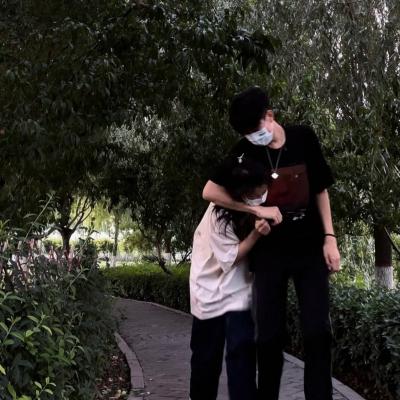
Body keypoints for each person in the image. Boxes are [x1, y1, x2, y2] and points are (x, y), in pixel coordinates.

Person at [203, 87, 341, 400]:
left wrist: (330, 238)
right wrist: (255, 210)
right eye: (246, 133)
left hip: (309, 251)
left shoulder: (303, 138)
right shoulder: (244, 151)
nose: (253, 137)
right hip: (269, 256)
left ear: (270, 116)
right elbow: (210, 191)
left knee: (317, 332)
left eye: (255, 129)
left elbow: (320, 189)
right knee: (268, 338)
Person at [190, 156, 271, 400]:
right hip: (209, 289)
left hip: (239, 291)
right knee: (206, 357)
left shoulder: (261, 199)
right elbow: (232, 258)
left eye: (265, 191)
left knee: (242, 351)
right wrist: (256, 235)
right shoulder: (218, 214)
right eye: (258, 193)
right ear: (243, 194)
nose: (263, 197)